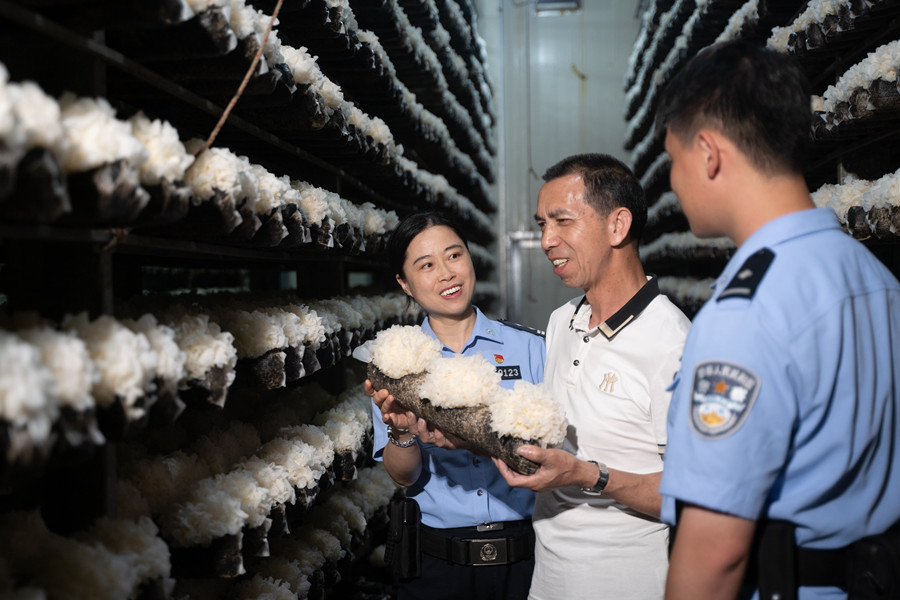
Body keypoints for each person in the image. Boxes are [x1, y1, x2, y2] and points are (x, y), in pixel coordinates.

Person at [655, 40, 900, 600]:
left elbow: (716, 552)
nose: (673, 180)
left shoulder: (747, 311)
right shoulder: (875, 277)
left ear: (709, 154)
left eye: (674, 158)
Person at [494, 153, 691, 599]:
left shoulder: (672, 343)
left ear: (617, 226)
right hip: (547, 578)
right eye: (542, 223)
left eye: (562, 221)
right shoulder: (563, 321)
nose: (546, 240)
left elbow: (689, 497)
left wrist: (587, 475)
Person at [363, 211, 545, 600]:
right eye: (426, 265)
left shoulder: (532, 348)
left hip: (528, 558)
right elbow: (404, 477)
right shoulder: (397, 362)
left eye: (454, 255)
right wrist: (400, 431)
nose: (446, 273)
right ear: (405, 283)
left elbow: (555, 451)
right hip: (437, 566)